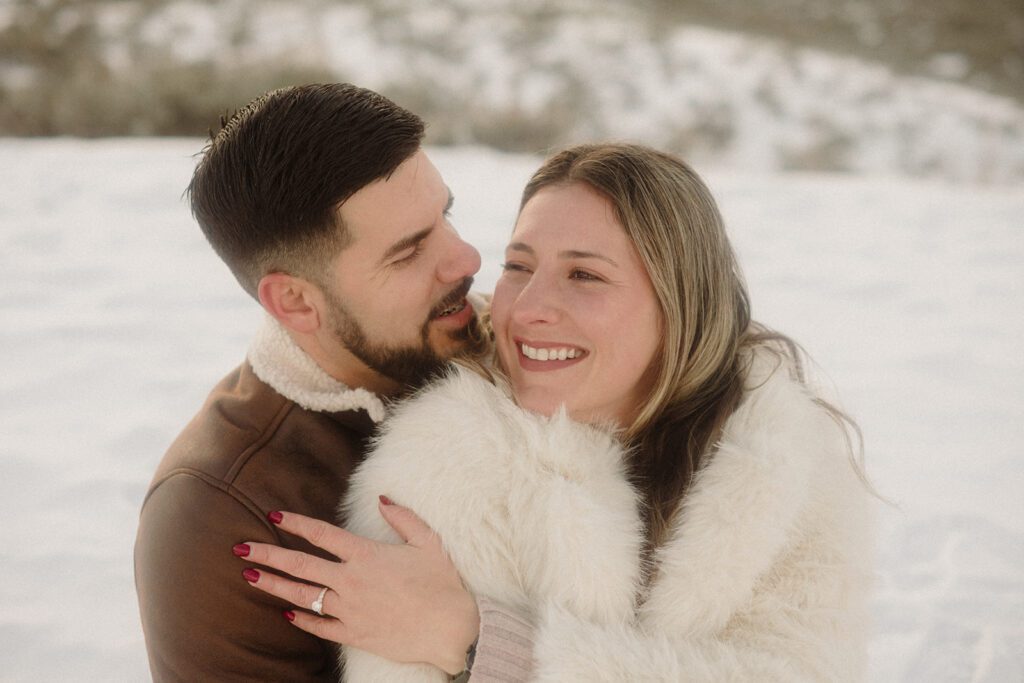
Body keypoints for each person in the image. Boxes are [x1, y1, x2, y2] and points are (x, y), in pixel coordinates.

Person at [238, 143, 875, 681]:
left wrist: (484, 643)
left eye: (585, 276)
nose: (528, 307)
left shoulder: (779, 452)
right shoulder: (444, 468)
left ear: (681, 303)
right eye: (519, 266)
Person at [134, 83, 533, 681]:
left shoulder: (532, 352)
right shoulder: (220, 514)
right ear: (295, 301)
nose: (468, 260)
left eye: (444, 216)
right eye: (407, 253)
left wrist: (475, 637)